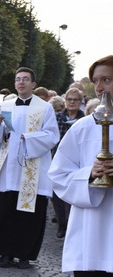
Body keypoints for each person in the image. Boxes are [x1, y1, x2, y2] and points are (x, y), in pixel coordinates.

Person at [48, 55, 113, 277]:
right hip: (90, 232)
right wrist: (89, 173)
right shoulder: (82, 128)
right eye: (98, 81)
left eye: (107, 80)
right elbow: (57, 175)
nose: (101, 88)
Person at [0, 67, 59, 269]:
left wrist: (29, 138)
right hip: (8, 170)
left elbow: (52, 135)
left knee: (28, 215)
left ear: (33, 84)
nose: (21, 82)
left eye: (26, 79)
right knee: (4, 211)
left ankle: (25, 255)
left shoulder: (45, 108)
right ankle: (4, 253)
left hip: (32, 168)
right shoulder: (5, 106)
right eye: (18, 79)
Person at [51, 87, 85, 239]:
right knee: (57, 195)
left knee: (74, 194)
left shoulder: (85, 119)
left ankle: (72, 224)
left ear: (80, 102)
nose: (72, 102)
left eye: (75, 100)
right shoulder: (57, 118)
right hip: (57, 160)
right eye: (69, 99)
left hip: (78, 163)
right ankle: (62, 224)